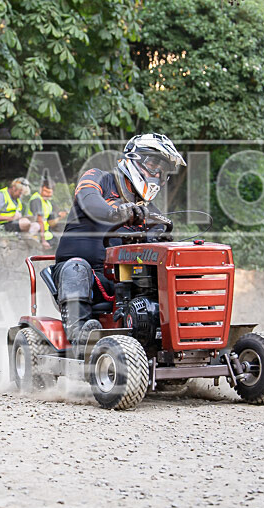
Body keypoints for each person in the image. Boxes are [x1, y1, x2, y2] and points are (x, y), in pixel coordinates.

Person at [53, 133, 185, 351]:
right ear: (133, 160)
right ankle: (80, 336)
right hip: (83, 277)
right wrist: (116, 213)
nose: (158, 175)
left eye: (163, 171)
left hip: (123, 282)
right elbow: (88, 200)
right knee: (76, 268)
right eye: (153, 165)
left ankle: (187, 329)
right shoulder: (99, 179)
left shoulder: (151, 214)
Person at [28, 180, 64, 250]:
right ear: (40, 189)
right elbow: (40, 220)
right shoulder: (36, 200)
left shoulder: (47, 203)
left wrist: (60, 217)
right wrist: (43, 241)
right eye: (45, 191)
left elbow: (50, 222)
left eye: (49, 192)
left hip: (47, 234)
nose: (47, 194)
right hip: (37, 234)